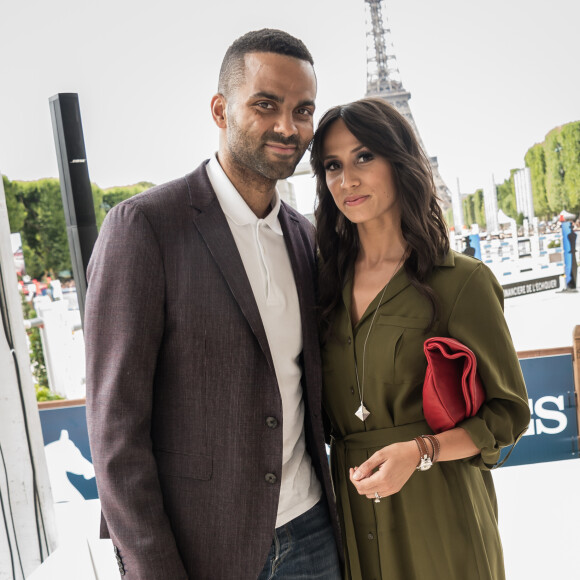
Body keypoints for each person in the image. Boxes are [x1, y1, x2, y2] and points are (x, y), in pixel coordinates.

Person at [85, 29, 342, 580]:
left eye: (303, 111)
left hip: (315, 534)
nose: (287, 127)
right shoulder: (145, 227)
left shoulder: (305, 237)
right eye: (265, 104)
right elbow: (115, 432)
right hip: (204, 552)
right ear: (220, 109)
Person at [310, 97, 530, 580]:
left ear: (400, 160)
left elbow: (509, 413)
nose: (347, 179)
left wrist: (420, 451)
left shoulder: (462, 281)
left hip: (440, 509)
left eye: (364, 156)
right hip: (351, 513)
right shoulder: (319, 287)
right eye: (332, 165)